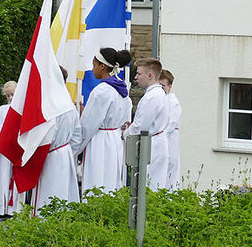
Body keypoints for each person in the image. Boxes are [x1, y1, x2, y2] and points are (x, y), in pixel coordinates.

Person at [72, 48, 133, 195]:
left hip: (99, 140)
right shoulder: (122, 89)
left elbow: (89, 124)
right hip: (114, 139)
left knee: (97, 178)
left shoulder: (101, 91)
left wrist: (75, 148)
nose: (92, 69)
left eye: (94, 65)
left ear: (102, 66)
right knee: (111, 179)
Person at [32, 68, 81, 213]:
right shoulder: (70, 105)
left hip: (50, 154)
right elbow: (77, 136)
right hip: (65, 152)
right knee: (62, 192)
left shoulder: (49, 105)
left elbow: (46, 134)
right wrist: (66, 150)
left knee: (48, 192)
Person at [125, 58, 170, 190]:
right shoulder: (156, 94)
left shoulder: (152, 97)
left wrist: (125, 134)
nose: (136, 77)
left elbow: (140, 126)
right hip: (156, 142)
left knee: (149, 185)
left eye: (139, 74)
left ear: (150, 75)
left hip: (152, 146)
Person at [0, 80, 21, 219]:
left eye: (13, 94)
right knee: (1, 180)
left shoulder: (23, 109)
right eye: (8, 96)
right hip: (3, 153)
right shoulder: (2, 110)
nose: (10, 98)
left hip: (17, 152)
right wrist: (5, 139)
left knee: (15, 181)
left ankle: (15, 210)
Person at [160, 69, 182, 188]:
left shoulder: (173, 102)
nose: (161, 89)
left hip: (169, 138)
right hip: (163, 137)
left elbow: (170, 124)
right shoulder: (159, 99)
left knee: (170, 166)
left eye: (163, 86)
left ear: (170, 86)